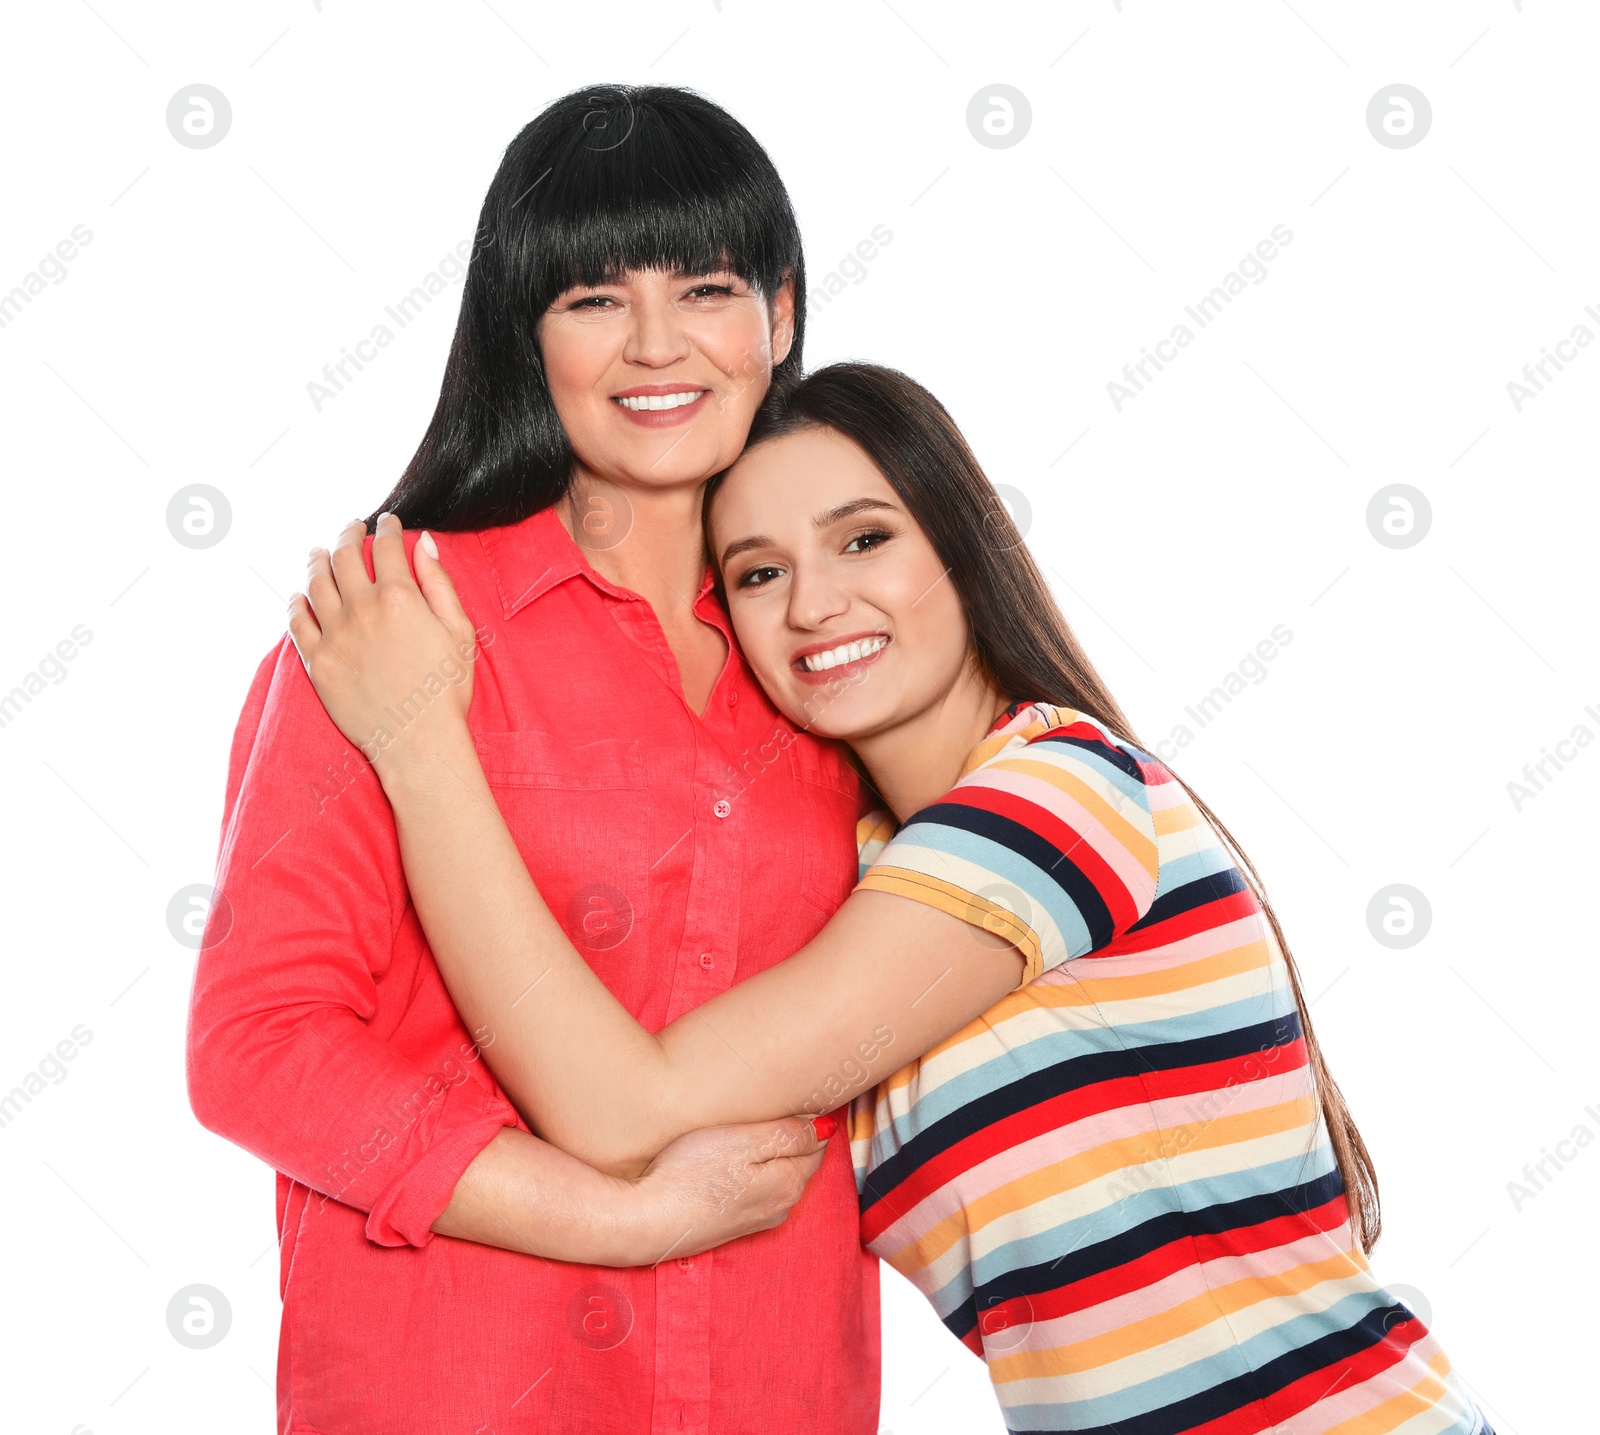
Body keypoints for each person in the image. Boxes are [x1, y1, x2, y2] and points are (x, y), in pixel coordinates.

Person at [289, 362, 1494, 1434]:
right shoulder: (866, 877)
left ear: (962, 547)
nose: (814, 604)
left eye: (864, 539)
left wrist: (417, 740)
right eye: (759, 572)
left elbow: (622, 1107)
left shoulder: (1056, 799)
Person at [187, 86, 878, 1435]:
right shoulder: (398, 626)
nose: (658, 344)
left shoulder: (840, 651)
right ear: (526, 330)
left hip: (773, 1378)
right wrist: (616, 1217)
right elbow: (256, 1046)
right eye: (592, 299)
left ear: (780, 315)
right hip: (456, 1380)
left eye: (708, 286)